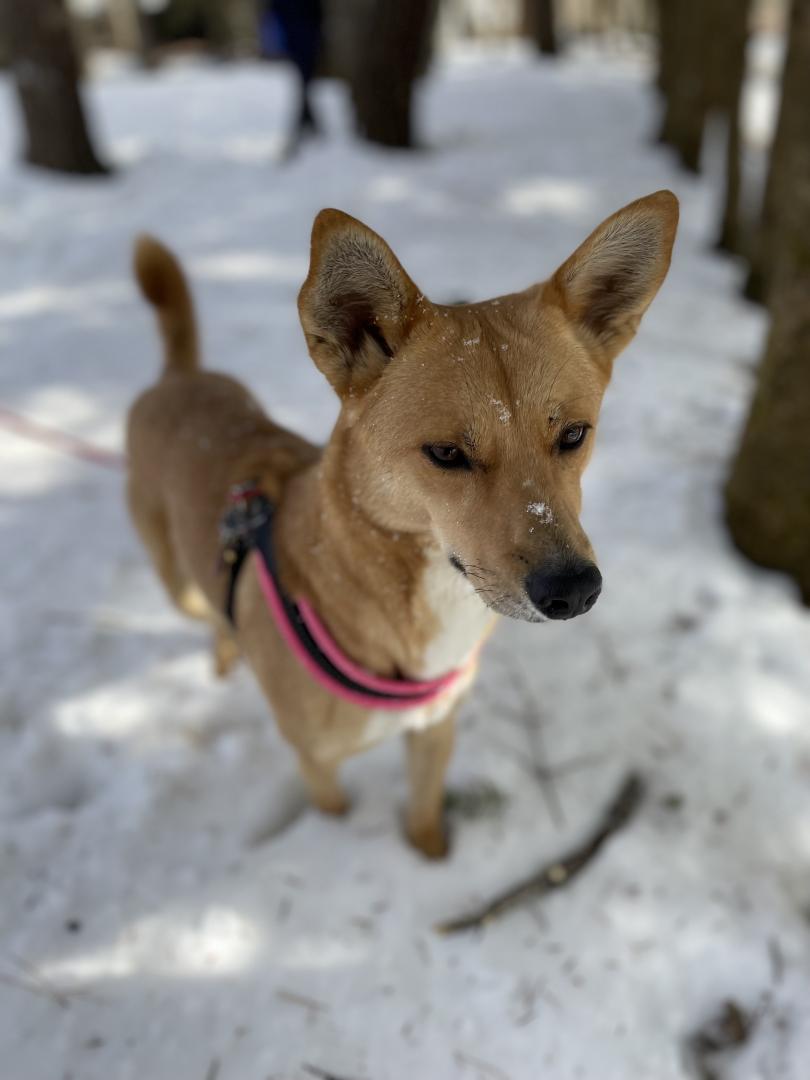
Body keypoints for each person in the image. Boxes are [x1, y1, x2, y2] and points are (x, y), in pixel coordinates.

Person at [262, 0, 324, 151]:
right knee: (303, 83)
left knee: (304, 83)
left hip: (302, 41)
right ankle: (307, 125)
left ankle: (307, 124)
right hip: (298, 42)